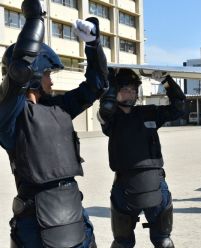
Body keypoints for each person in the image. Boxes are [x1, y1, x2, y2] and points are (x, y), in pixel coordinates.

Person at [0, 0, 109, 247]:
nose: (51, 81)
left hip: (73, 213)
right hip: (36, 221)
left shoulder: (58, 108)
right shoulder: (10, 116)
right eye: (48, 74)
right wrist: (35, 21)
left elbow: (97, 85)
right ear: (35, 75)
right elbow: (18, 72)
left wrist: (93, 46)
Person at [97, 68, 186, 248]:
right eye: (125, 89)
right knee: (122, 242)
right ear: (115, 91)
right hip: (125, 184)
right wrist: (111, 81)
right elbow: (105, 108)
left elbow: (179, 108)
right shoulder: (110, 117)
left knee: (164, 241)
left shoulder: (149, 112)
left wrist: (167, 81)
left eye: (133, 90)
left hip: (155, 181)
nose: (130, 94)